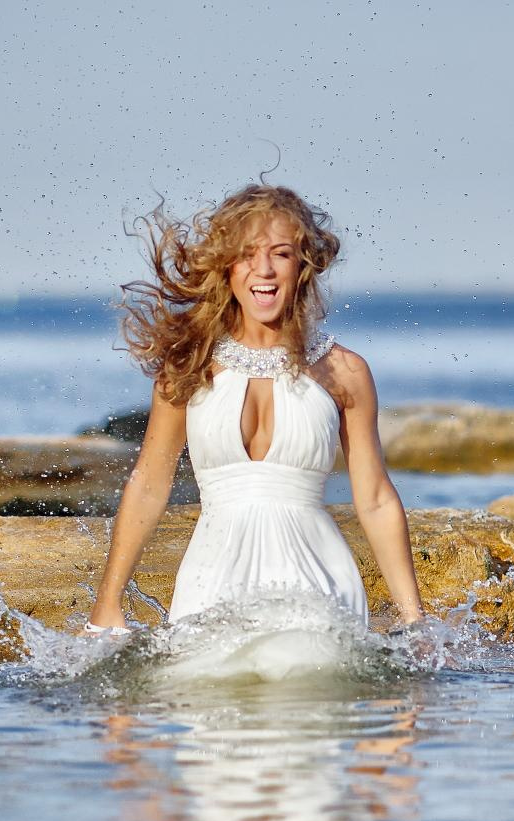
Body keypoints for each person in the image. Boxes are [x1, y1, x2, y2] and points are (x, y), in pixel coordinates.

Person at [85, 184, 422, 636]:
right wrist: (108, 604)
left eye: (281, 254)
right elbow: (148, 484)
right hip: (210, 580)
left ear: (303, 265)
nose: (263, 270)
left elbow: (376, 498)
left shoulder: (345, 372)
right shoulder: (188, 366)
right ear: (226, 267)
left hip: (318, 580)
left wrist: (414, 619)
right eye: (247, 254)